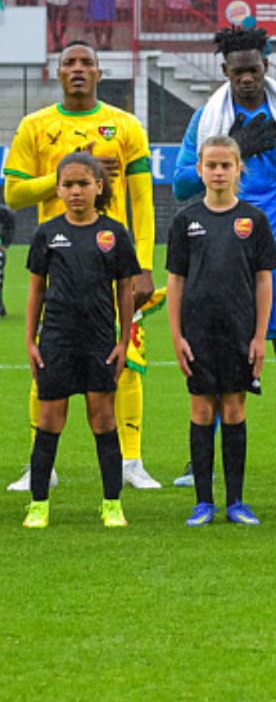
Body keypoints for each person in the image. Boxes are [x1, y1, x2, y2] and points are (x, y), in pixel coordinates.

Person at [174, 24, 276, 486]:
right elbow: (182, 183)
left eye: (255, 70)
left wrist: (264, 224)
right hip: (219, 255)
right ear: (225, 71)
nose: (247, 79)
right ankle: (201, 460)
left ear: (266, 67)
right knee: (217, 352)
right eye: (238, 72)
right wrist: (235, 148)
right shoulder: (207, 120)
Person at [5, 41, 159, 494]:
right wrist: (63, 177)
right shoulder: (36, 126)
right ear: (57, 72)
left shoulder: (125, 125)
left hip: (116, 264)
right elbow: (12, 194)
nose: (77, 68)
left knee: (126, 357)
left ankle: (132, 461)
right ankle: (42, 465)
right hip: (58, 263)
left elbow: (143, 200)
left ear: (99, 71)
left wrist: (145, 266)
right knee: (47, 362)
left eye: (85, 62)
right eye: (69, 62)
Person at [20, 153, 140, 528]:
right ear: (57, 189)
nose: (76, 191)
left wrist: (124, 341)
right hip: (56, 339)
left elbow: (126, 290)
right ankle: (39, 504)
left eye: (83, 184)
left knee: (103, 418)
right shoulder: (47, 233)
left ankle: (111, 503)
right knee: (50, 419)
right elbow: (36, 290)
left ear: (98, 187)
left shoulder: (115, 233)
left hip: (100, 340)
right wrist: (30, 339)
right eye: (68, 185)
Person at [166, 136, 276, 527]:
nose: (217, 172)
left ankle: (236, 501)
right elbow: (176, 281)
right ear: (199, 170)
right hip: (197, 333)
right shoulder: (185, 220)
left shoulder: (254, 220)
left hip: (239, 333)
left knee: (233, 409)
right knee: (200, 411)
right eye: (210, 165)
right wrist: (177, 336)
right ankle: (202, 502)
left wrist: (260, 337)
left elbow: (264, 281)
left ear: (238, 170)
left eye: (225, 165)